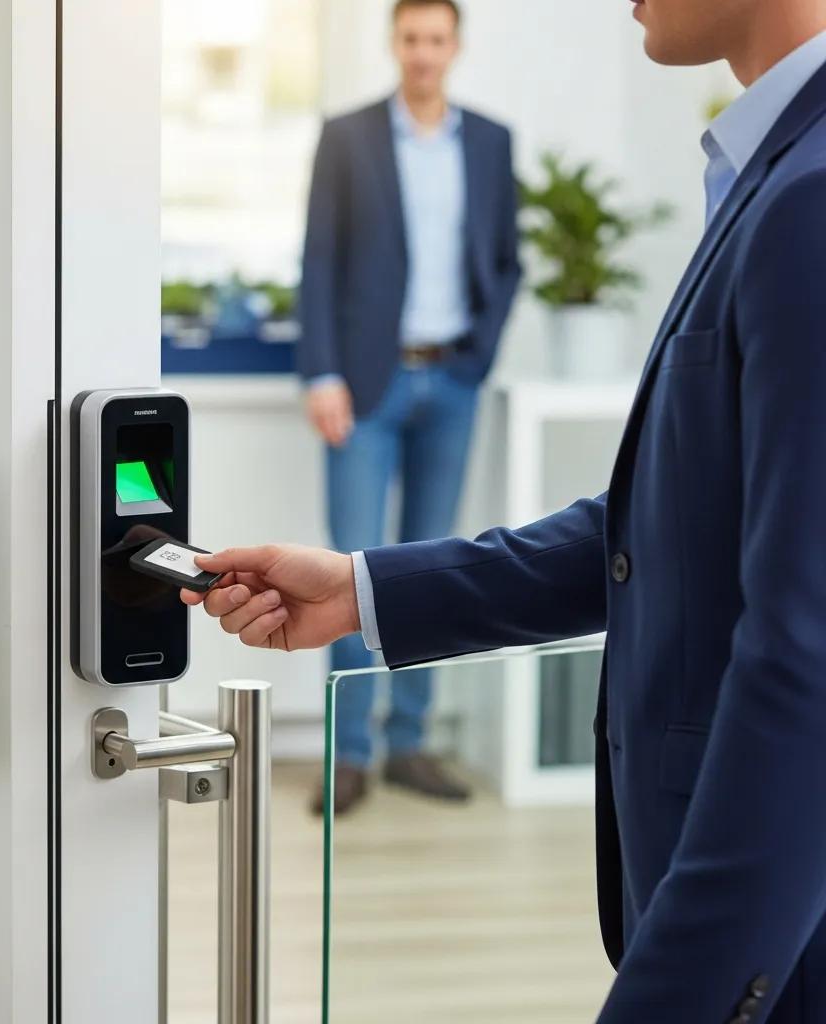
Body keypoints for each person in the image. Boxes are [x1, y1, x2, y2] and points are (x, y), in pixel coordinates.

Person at [185, 0, 826, 1018]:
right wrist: (360, 589)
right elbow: (657, 527)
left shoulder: (810, 192)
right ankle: (361, 756)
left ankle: (406, 742)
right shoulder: (771, 165)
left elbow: (807, 664)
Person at [298, 0, 520, 813]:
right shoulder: (348, 137)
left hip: (452, 380)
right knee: (350, 571)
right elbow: (318, 261)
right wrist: (321, 373)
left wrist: (478, 355)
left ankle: (409, 744)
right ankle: (349, 754)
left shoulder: (490, 140)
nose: (423, 53)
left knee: (434, 569)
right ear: (394, 43)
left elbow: (507, 259)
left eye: (437, 39)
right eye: (411, 39)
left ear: (455, 47)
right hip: (366, 383)